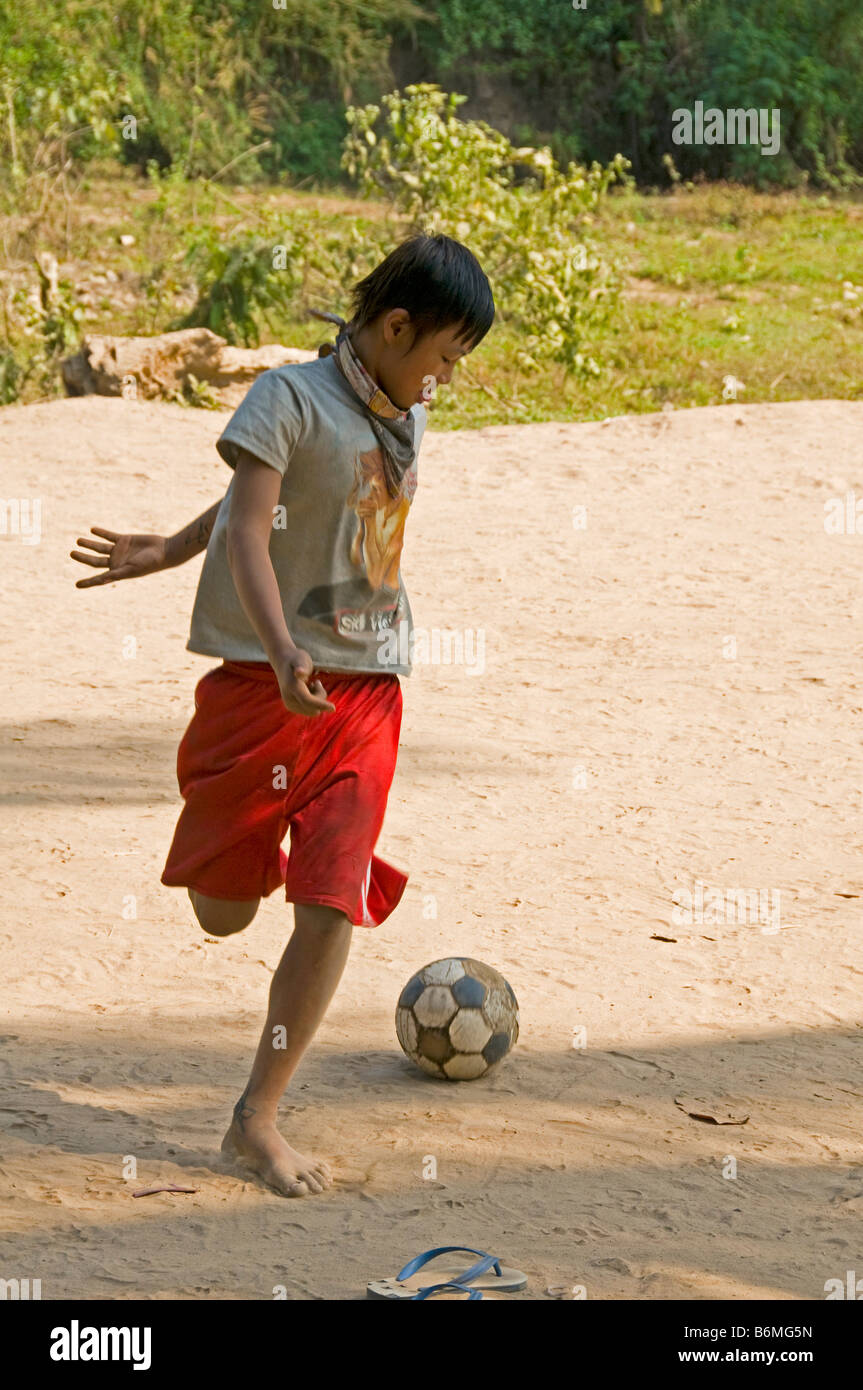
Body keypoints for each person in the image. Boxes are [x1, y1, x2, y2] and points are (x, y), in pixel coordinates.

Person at [71, 233, 495, 1196]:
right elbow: (253, 519)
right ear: (394, 328)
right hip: (261, 688)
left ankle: (255, 1117)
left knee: (328, 899)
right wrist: (212, 584)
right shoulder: (286, 399)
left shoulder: (401, 414)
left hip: (365, 691)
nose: (444, 379)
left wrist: (189, 554)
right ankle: (251, 842)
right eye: (442, 358)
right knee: (224, 915)